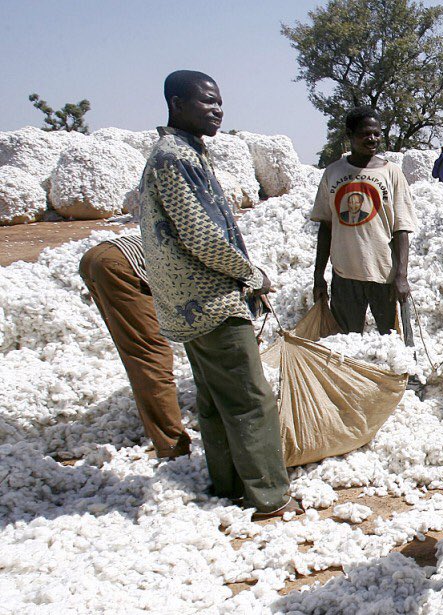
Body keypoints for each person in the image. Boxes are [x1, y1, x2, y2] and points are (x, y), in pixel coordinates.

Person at [139, 69, 299, 521]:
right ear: (177, 104)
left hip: (191, 304)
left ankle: (228, 484)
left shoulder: (184, 152)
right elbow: (200, 235)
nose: (218, 109)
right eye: (207, 101)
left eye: (219, 101)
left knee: (214, 399)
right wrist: (252, 275)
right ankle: (270, 495)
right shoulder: (174, 158)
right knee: (251, 399)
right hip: (210, 300)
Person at [79, 235, 191, 459]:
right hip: (121, 265)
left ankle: (164, 435)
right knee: (150, 354)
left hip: (103, 257)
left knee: (138, 352)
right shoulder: (224, 273)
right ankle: (172, 446)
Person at [312, 107, 419, 336]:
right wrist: (318, 276)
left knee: (391, 344)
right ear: (349, 135)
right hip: (344, 275)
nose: (372, 139)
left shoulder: (392, 173)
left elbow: (401, 228)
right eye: (365, 134)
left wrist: (401, 275)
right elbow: (325, 226)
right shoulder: (332, 173)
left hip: (383, 275)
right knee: (347, 344)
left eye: (377, 134)